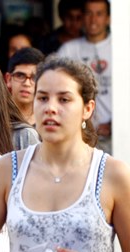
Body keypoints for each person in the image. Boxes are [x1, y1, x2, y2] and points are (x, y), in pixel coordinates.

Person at [0, 56, 130, 252]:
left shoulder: (114, 174)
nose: (51, 107)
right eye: (42, 98)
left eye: (64, 99)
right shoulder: (7, 169)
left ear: (88, 108)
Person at [57, 0, 112, 154]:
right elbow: (57, 88)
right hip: (80, 135)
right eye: (88, 13)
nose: (93, 19)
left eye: (99, 14)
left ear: (108, 18)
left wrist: (114, 123)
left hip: (119, 135)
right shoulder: (68, 50)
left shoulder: (120, 47)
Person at [5, 47, 45, 126]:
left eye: (34, 78)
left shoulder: (48, 119)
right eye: (20, 76)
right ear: (8, 79)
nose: (26, 83)